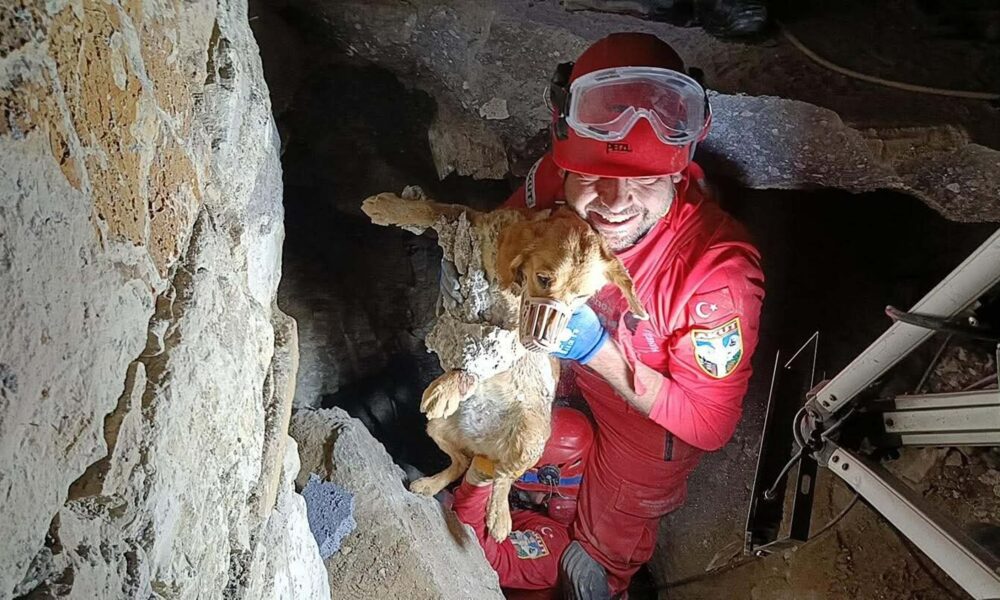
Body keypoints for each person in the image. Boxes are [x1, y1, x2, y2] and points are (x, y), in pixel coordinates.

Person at [499, 32, 766, 598]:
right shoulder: (552, 182)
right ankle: (545, 502)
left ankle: (610, 575)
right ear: (564, 159)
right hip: (560, 370)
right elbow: (499, 239)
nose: (615, 204)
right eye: (592, 176)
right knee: (527, 440)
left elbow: (709, 424)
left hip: (645, 423)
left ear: (676, 172)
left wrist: (597, 352)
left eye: (644, 179)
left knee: (598, 552)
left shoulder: (714, 274)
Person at [449, 407, 594, 599]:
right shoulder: (537, 508)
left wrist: (477, 483)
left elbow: (478, 555)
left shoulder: (554, 545)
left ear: (548, 479)